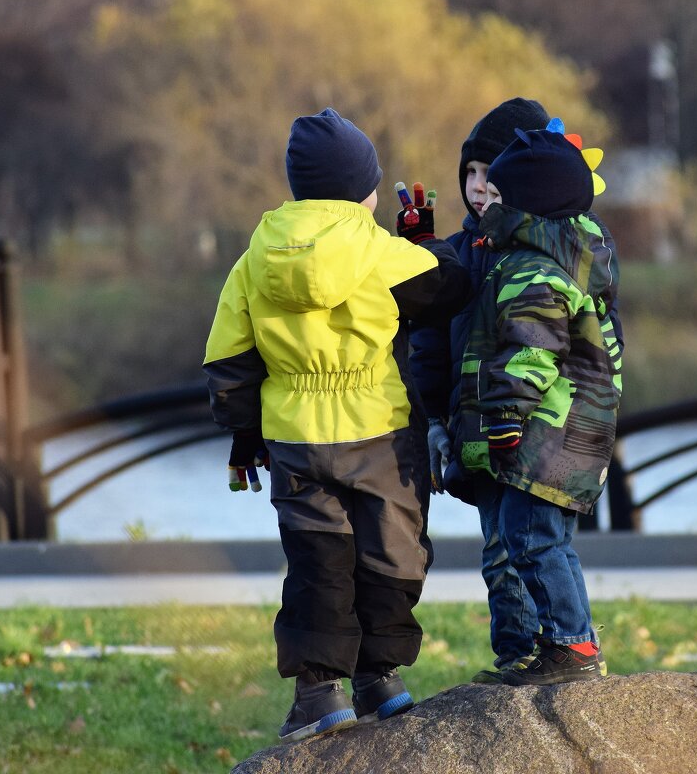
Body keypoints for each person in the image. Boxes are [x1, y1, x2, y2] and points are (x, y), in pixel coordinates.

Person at [203, 107, 468, 740]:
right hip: (379, 431)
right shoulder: (380, 251)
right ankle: (381, 679)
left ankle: (319, 694)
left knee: (317, 558)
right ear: (365, 189)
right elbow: (452, 288)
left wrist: (245, 434)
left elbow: (228, 359)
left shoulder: (254, 258)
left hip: (295, 435)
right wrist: (420, 243)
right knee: (391, 552)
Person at [409, 100, 623, 683]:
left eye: (494, 185)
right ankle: (529, 653)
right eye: (473, 177)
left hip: (534, 435)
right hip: (510, 431)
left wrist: (504, 418)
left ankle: (569, 647)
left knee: (530, 540)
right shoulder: (525, 254)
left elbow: (528, 352)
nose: (481, 193)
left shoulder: (533, 269)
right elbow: (439, 325)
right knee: (513, 543)